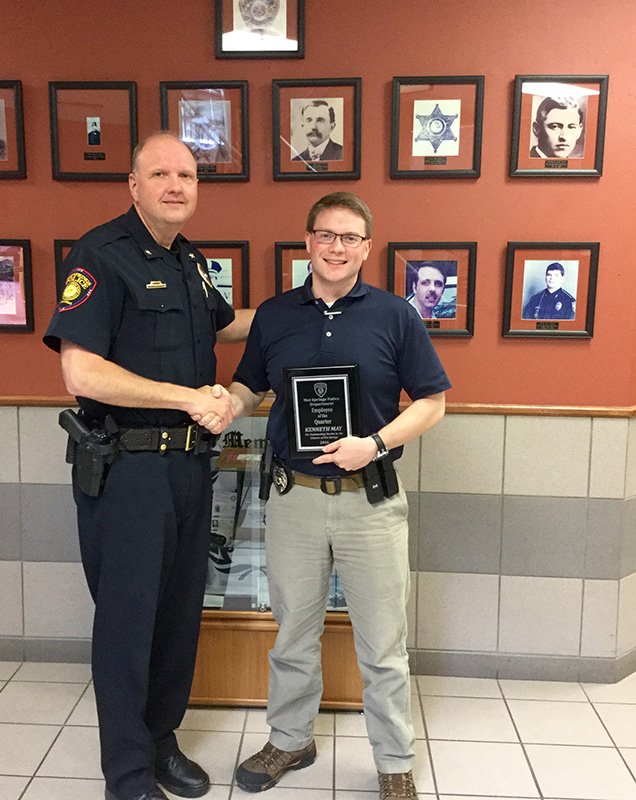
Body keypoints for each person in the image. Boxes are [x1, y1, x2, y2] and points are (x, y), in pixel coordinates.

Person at [213, 192, 450, 800]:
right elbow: (248, 384)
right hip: (294, 499)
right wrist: (225, 405)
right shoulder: (274, 314)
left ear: (366, 248)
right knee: (293, 633)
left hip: (369, 501)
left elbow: (432, 403)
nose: (336, 247)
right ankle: (290, 740)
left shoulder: (396, 315)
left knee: (382, 643)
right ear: (308, 242)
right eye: (326, 235)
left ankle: (394, 762)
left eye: (349, 238)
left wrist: (373, 443)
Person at [43, 132, 254, 800]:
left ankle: (161, 744)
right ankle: (127, 775)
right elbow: (80, 368)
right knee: (129, 626)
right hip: (128, 470)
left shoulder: (190, 262)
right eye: (159, 173)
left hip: (190, 470)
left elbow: (221, 326)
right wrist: (189, 398)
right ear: (133, 185)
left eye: (187, 176)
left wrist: (297, 311)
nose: (175, 186)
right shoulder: (101, 255)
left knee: (177, 619)